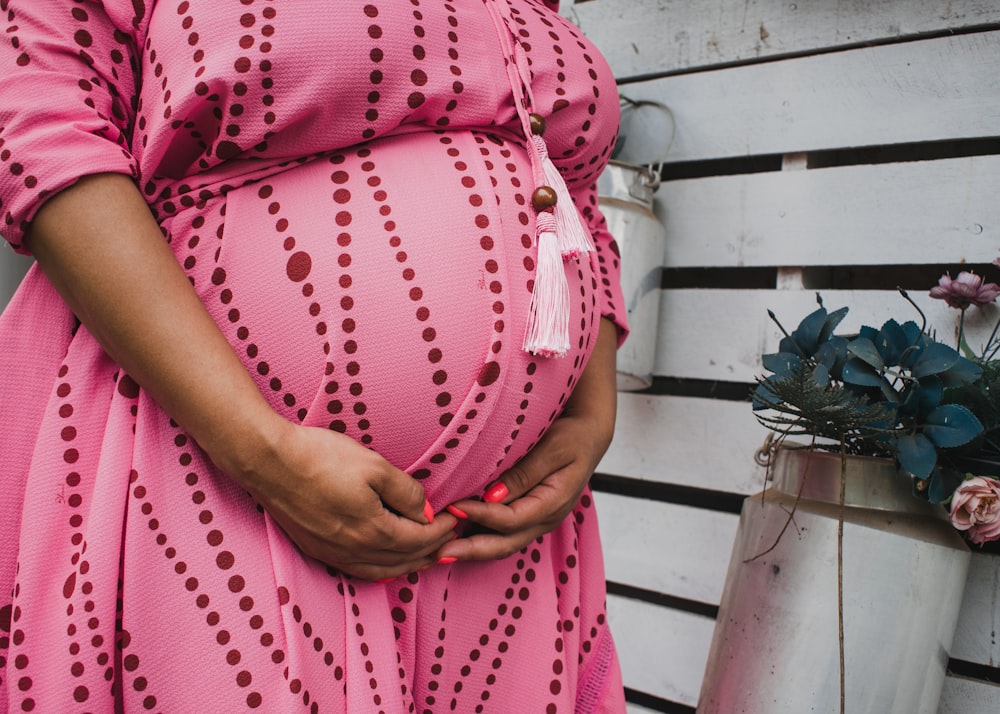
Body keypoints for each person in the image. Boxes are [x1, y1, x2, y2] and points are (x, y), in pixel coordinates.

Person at [0, 1, 628, 711]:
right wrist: (262, 453)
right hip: (217, 476)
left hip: (495, 549)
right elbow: (47, 141)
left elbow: (575, 198)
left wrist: (592, 411)